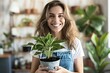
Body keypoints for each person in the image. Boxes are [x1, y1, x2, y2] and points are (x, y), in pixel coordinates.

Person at [30, 0, 84, 73]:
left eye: (60, 16)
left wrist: (65, 72)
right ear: (45, 19)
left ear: (66, 18)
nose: (56, 20)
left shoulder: (74, 42)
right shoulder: (39, 42)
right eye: (51, 16)